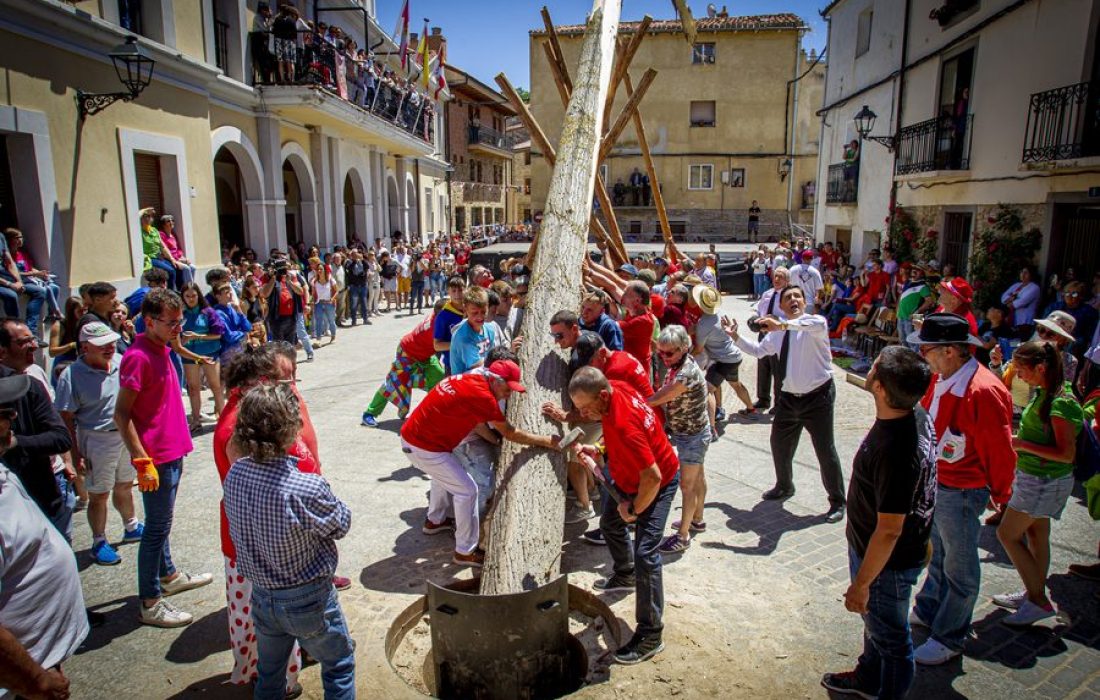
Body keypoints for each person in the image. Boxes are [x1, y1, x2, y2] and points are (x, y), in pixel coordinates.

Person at [223, 382, 355, 700]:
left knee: (270, 673)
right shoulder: (304, 486)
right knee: (339, 665)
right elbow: (341, 524)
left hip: (263, 597)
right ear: (290, 430)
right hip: (308, 599)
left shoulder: (236, 474)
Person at [822, 346, 936, 700]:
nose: (868, 369)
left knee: (893, 641)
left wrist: (861, 584)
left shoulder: (894, 448)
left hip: (886, 563)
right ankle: (869, 678)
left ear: (881, 388)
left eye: (873, 368)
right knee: (876, 628)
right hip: (885, 553)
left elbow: (889, 529)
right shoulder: (916, 416)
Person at [907, 313, 1016, 665]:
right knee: (937, 552)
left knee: (960, 566)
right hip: (938, 483)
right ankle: (929, 608)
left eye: (927, 348)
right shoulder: (942, 378)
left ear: (951, 351)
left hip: (963, 491)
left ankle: (950, 635)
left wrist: (1002, 495)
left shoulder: (983, 391)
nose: (922, 354)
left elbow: (999, 449)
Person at [568, 367, 679, 665]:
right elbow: (618, 438)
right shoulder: (616, 387)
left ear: (602, 395)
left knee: (646, 553)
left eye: (587, 407)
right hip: (629, 477)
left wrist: (634, 510)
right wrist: (599, 448)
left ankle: (651, 633)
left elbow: (653, 478)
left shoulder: (624, 422)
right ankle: (625, 573)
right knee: (608, 524)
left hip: (659, 482)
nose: (585, 414)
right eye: (580, 409)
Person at [115, 288, 212, 628]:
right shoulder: (137, 357)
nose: (177, 328)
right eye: (171, 322)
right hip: (155, 457)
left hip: (173, 449)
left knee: (164, 523)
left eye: (179, 321)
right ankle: (150, 601)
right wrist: (141, 460)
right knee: (155, 529)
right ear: (149, 321)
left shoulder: (164, 347)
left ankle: (168, 576)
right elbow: (121, 414)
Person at [400, 360, 558, 567]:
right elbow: (510, 433)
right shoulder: (483, 397)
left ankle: (435, 520)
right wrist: (546, 441)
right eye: (507, 389)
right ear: (494, 379)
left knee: (444, 477)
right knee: (467, 491)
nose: (509, 394)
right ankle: (464, 552)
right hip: (424, 447)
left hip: (420, 439)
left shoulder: (470, 378)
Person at [0, 374, 87, 700]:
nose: (14, 419)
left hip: (37, 658)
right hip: (22, 679)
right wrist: (33, 679)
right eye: (4, 414)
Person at [727, 285, 847, 522]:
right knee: (779, 444)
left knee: (825, 449)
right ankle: (784, 486)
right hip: (789, 398)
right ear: (781, 306)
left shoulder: (816, 322)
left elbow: (801, 325)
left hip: (818, 397)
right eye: (788, 297)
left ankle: (837, 501)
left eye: (797, 296)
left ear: (804, 301)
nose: (793, 299)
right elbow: (759, 351)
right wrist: (736, 337)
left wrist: (780, 324)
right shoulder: (777, 331)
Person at [993, 341, 1081, 627]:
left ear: (1040, 368)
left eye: (1022, 369)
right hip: (1037, 478)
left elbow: (1066, 453)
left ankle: (1039, 601)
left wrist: (1021, 444)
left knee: (1007, 535)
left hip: (1044, 481)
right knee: (1036, 536)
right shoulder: (1045, 393)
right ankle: (1033, 592)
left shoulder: (1061, 402)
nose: (1018, 375)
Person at [55, 322, 144, 567]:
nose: (109, 347)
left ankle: (132, 525)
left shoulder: (120, 360)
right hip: (95, 438)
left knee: (125, 485)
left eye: (111, 342)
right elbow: (66, 419)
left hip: (125, 434)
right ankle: (99, 540)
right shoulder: (71, 375)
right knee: (99, 494)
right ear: (85, 347)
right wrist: (74, 455)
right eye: (101, 345)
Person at [649, 325, 710, 554]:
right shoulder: (679, 364)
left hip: (691, 436)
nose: (664, 358)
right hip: (692, 432)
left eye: (669, 353)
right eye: (661, 352)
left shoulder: (686, 374)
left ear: (684, 348)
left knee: (687, 485)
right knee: (698, 479)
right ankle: (697, 519)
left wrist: (639, 403)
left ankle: (682, 536)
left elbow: (662, 396)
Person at [361, 306, 446, 426]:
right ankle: (369, 414)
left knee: (438, 376)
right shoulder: (434, 328)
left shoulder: (437, 317)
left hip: (424, 356)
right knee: (392, 384)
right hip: (407, 353)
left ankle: (433, 413)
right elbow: (440, 346)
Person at [692, 285, 755, 425]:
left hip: (723, 360)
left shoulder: (703, 324)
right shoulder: (719, 314)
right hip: (734, 356)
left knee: (707, 389)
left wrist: (688, 356)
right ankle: (751, 409)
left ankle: (711, 422)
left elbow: (699, 348)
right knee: (735, 384)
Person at [180, 282, 227, 431]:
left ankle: (223, 417)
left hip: (209, 353)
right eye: (187, 296)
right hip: (189, 355)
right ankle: (195, 419)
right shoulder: (181, 314)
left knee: (216, 386)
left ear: (198, 295)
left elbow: (217, 334)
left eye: (193, 295)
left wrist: (197, 336)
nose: (191, 299)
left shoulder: (208, 312)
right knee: (193, 388)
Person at [752, 266, 789, 412]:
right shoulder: (767, 293)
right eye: (775, 276)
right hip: (763, 332)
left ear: (787, 280)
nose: (777, 279)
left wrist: (777, 319)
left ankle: (779, 402)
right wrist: (755, 318)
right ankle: (763, 398)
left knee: (777, 370)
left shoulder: (788, 296)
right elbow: (758, 308)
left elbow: (791, 318)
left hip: (778, 335)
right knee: (763, 366)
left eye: (780, 277)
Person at [448, 287, 499, 375]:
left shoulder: (490, 329)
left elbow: (493, 354)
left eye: (483, 312)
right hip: (465, 382)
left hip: (485, 374)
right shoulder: (463, 338)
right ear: (465, 310)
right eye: (474, 313)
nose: (480, 317)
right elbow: (477, 367)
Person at [261, 257, 304, 344]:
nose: (283, 270)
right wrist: (273, 278)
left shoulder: (291, 277)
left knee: (290, 345)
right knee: (279, 346)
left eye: (285, 267)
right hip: (277, 318)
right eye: (280, 268)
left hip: (291, 317)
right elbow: (265, 294)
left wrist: (290, 282)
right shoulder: (268, 278)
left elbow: (300, 291)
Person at [433, 276, 467, 373]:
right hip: (453, 365)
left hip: (472, 363)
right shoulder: (443, 316)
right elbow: (437, 345)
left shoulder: (471, 309)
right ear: (448, 291)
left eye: (460, 290)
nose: (457, 294)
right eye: (454, 290)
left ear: (466, 289)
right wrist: (458, 344)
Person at [1002, 267, 1041, 339]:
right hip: (1013, 321)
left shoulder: (1034, 288)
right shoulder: (1017, 285)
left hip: (1024, 323)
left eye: (1026, 272)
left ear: (1031, 275)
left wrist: (1011, 300)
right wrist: (1011, 299)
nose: (1023, 274)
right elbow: (1003, 298)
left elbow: (1020, 302)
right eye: (1022, 272)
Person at [157, 215, 196, 288]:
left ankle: (191, 286)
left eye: (172, 220)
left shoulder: (173, 234)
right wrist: (176, 260)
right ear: (163, 224)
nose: (171, 222)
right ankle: (188, 289)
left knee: (193, 267)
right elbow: (164, 250)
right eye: (168, 221)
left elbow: (178, 249)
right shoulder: (161, 235)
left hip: (178, 258)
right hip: (169, 259)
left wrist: (184, 258)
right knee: (186, 268)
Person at [309, 257, 338, 344]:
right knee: (318, 321)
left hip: (329, 303)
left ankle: (333, 336)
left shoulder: (330, 279)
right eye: (318, 269)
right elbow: (313, 293)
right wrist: (312, 302)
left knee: (331, 321)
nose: (319, 271)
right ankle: (318, 340)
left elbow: (336, 291)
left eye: (321, 269)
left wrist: (332, 299)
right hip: (319, 303)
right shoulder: (314, 281)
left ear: (325, 270)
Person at [343, 249, 369, 326]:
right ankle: (354, 320)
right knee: (353, 305)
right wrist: (354, 261)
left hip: (363, 286)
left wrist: (362, 259)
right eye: (353, 254)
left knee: (364, 303)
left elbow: (367, 267)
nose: (355, 255)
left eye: (356, 254)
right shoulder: (349, 262)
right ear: (351, 255)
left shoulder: (361, 261)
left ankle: (365, 319)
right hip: (354, 286)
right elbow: (349, 268)